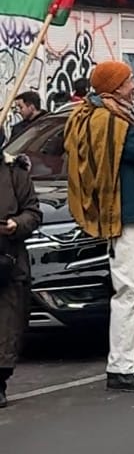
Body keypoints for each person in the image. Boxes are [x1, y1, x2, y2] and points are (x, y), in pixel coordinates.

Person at [64, 61, 134, 392]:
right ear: (113, 87)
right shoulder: (110, 122)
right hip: (125, 219)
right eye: (129, 81)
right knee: (131, 293)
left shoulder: (122, 117)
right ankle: (121, 366)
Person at [0, 121, 39, 408]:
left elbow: (33, 212)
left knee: (6, 326)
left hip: (7, 262)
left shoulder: (15, 171)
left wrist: (17, 224)